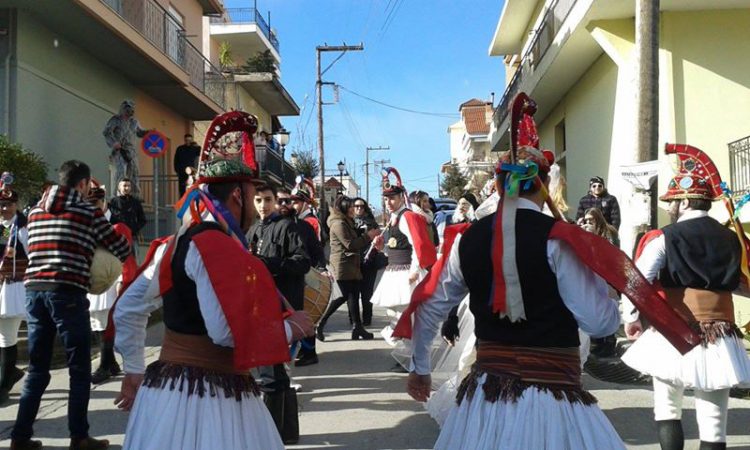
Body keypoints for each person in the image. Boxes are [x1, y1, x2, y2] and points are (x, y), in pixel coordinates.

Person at [397, 95, 626, 448]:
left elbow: (430, 305)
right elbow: (599, 324)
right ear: (544, 184)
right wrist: (610, 298)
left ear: (500, 184)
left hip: (485, 402)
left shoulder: (466, 240)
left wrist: (421, 367)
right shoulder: (561, 240)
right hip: (554, 400)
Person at [113, 152, 312, 449]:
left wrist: (133, 368)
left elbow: (127, 309)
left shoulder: (172, 244)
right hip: (214, 398)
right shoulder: (217, 246)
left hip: (165, 394)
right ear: (237, 194)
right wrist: (291, 329)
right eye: (251, 191)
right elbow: (225, 333)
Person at [621, 144, 750, 450]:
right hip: (720, 331)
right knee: (714, 421)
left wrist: (632, 318)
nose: (669, 208)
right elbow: (738, 284)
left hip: (672, 329)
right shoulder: (733, 239)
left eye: (671, 202)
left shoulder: (665, 237)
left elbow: (636, 280)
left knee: (667, 408)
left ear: (683, 201)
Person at [11, 160, 130, 450]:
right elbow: (121, 248)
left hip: (34, 292)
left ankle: (20, 438)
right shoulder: (88, 211)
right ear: (83, 184)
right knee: (79, 367)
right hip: (68, 292)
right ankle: (79, 437)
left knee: (37, 369)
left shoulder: (35, 212)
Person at [248, 183, 311, 444]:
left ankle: (271, 438)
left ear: (276, 201)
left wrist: (269, 265)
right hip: (259, 308)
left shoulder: (287, 226)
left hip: (280, 308)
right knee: (277, 373)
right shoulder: (252, 229)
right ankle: (286, 434)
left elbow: (302, 262)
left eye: (268, 200)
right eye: (259, 200)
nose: (263, 205)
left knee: (271, 374)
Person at [370, 168, 437, 371]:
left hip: (406, 272)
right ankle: (407, 356)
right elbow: (396, 247)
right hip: (395, 270)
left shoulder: (407, 217)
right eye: (386, 199)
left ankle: (409, 358)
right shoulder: (394, 218)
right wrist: (382, 248)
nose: (388, 202)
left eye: (392, 198)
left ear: (401, 197)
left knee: (405, 316)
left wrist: (415, 270)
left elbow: (417, 245)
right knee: (397, 315)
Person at [85, 182, 137, 385]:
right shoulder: (86, 222)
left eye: (96, 202)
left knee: (108, 323)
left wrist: (123, 280)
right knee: (97, 321)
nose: (93, 206)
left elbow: (125, 256)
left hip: (113, 279)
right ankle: (111, 362)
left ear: (104, 202)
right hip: (95, 279)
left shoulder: (118, 224)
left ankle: (105, 364)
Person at [317, 196, 380, 341]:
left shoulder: (346, 221)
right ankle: (321, 322)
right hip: (343, 265)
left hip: (350, 265)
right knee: (343, 296)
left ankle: (357, 328)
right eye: (351, 207)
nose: (354, 210)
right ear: (345, 208)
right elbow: (350, 244)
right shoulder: (338, 223)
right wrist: (368, 236)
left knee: (353, 295)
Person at [279, 187, 325, 367]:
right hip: (276, 280)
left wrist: (319, 268)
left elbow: (316, 250)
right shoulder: (264, 225)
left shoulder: (304, 225)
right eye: (280, 201)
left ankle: (308, 352)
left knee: (301, 315)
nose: (285, 204)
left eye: (289, 201)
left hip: (299, 278)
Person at [0, 175, 28, 405]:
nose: (4, 208)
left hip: (13, 286)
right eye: (0, 205)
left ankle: (4, 384)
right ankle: (10, 372)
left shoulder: (23, 227)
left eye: (7, 204)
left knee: (6, 335)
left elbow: (35, 255)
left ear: (16, 204)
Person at [103, 100, 149, 196]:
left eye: (131, 109)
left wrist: (148, 132)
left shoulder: (134, 122)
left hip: (131, 151)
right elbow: (107, 132)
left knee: (134, 173)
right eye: (128, 109)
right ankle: (118, 195)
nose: (130, 111)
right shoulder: (115, 120)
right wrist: (114, 142)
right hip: (119, 150)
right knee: (121, 172)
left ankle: (135, 196)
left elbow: (140, 133)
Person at [353, 198, 383, 326]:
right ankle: (354, 319)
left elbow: (379, 242)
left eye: (361, 206)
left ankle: (367, 318)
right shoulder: (348, 222)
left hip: (369, 260)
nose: (359, 208)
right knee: (353, 292)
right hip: (353, 261)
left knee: (367, 291)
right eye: (356, 206)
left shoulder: (372, 223)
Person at [173, 134, 201, 198]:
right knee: (182, 191)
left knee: (192, 190)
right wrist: (177, 170)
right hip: (182, 172)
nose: (188, 142)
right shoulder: (180, 149)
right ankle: (183, 205)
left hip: (192, 173)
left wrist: (197, 146)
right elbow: (176, 160)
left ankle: (191, 205)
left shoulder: (195, 148)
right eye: (187, 140)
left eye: (190, 140)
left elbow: (201, 152)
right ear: (184, 140)